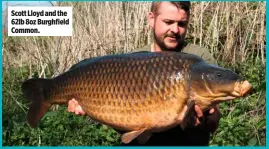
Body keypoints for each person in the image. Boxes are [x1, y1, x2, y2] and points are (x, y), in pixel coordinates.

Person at [68, 1, 221, 146]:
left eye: (181, 24)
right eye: (168, 22)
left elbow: (214, 120)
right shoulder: (133, 59)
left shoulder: (198, 58)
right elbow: (123, 121)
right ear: (152, 19)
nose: (175, 30)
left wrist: (205, 120)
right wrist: (90, 107)